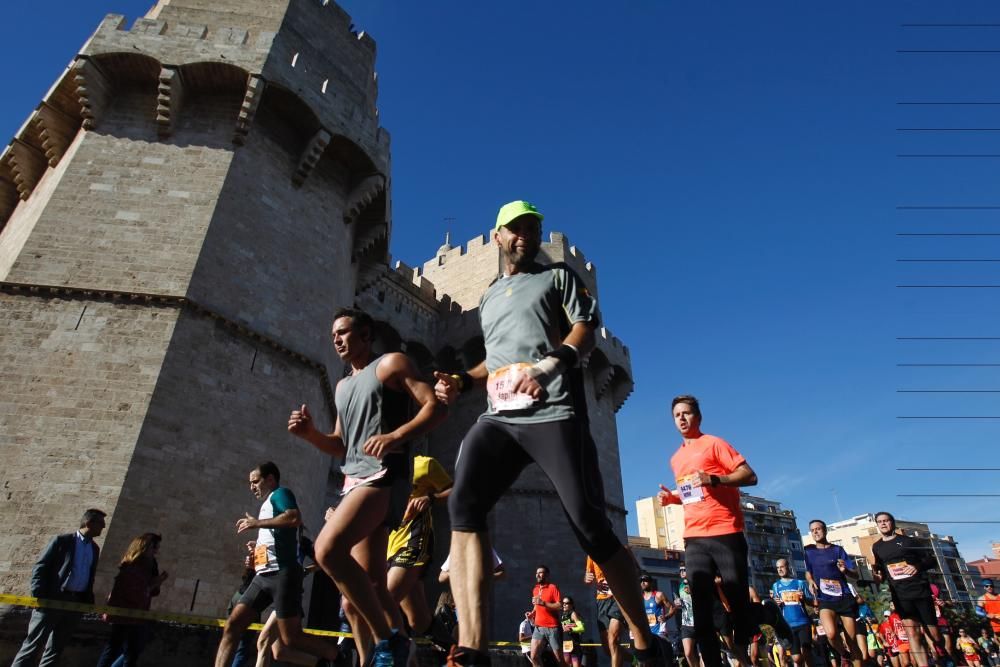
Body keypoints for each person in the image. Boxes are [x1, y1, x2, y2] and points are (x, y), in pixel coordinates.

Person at [434, 200, 667, 667]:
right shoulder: (490, 297)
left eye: (532, 229)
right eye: (515, 230)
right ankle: (472, 647)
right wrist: (463, 379)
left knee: (591, 528)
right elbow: (497, 357)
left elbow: (583, 327)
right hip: (499, 416)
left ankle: (645, 641)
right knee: (463, 504)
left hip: (553, 412)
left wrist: (549, 366)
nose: (525, 237)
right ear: (498, 237)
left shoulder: (557, 278)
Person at [288, 307, 446, 666]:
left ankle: (389, 639)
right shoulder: (343, 386)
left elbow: (435, 408)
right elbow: (342, 444)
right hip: (354, 480)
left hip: (384, 477)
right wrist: (310, 434)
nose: (337, 340)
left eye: (344, 333)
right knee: (360, 597)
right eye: (333, 336)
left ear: (366, 335)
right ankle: (382, 657)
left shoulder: (392, 364)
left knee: (326, 550)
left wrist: (395, 436)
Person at [657, 395, 759, 667]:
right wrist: (673, 498)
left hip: (726, 530)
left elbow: (749, 476)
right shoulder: (676, 458)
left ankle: (744, 639)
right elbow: (694, 493)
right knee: (699, 607)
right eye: (677, 414)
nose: (681, 418)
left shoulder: (714, 443)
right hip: (694, 537)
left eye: (687, 413)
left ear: (697, 418)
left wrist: (714, 478)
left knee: (737, 599)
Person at [213, 462, 338, 667]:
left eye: (255, 482)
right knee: (233, 626)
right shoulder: (268, 503)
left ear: (270, 479)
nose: (252, 487)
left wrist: (257, 524)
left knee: (291, 638)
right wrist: (259, 546)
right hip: (262, 577)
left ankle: (336, 656)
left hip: (283, 574)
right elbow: (279, 531)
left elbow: (294, 517)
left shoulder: (281, 493)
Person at [11, 508, 107, 667]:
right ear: (89, 523)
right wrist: (40, 594)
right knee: (33, 644)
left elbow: (89, 575)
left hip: (75, 602)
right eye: (101, 524)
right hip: (53, 600)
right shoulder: (62, 541)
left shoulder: (95, 549)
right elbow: (40, 567)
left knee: (56, 647)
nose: (103, 528)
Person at [386, 454, 454, 650]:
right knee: (419, 620)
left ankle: (399, 656)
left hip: (415, 540)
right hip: (390, 544)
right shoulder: (374, 470)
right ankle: (462, 658)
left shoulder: (424, 464)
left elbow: (456, 489)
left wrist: (431, 498)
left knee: (385, 599)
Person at [871, 512, 942, 667]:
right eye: (880, 521)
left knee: (935, 636)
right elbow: (880, 569)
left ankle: (940, 655)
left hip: (920, 591)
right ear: (877, 524)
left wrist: (917, 566)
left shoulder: (908, 541)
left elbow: (931, 560)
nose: (883, 524)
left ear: (893, 523)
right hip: (900, 594)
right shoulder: (877, 547)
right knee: (912, 634)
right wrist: (878, 576)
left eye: (886, 521)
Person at [95, 533, 167, 667]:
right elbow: (136, 593)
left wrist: (156, 582)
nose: (156, 551)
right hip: (126, 614)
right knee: (119, 649)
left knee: (129, 651)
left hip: (138, 613)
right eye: (154, 547)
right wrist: (154, 584)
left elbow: (152, 591)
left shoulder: (148, 566)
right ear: (145, 547)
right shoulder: (132, 567)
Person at [804, 519, 860, 667]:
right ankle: (844, 654)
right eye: (813, 530)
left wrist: (846, 570)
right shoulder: (809, 551)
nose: (815, 532)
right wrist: (810, 581)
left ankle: (855, 660)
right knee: (831, 634)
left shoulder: (837, 550)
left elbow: (856, 574)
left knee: (852, 640)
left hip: (844, 597)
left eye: (818, 529)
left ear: (825, 530)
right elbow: (808, 572)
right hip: (825, 599)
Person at [585, 555, 630, 667]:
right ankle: (634, 660)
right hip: (601, 600)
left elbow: (632, 570)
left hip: (618, 597)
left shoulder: (617, 549)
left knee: (613, 639)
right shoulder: (591, 555)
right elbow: (588, 576)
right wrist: (588, 579)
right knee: (607, 648)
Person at [772, 559, 815, 667]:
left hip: (803, 622)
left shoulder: (800, 583)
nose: (780, 570)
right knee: (796, 658)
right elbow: (776, 608)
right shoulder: (776, 586)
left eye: (782, 567)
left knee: (806, 653)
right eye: (777, 568)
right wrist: (776, 603)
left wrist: (804, 598)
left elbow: (812, 603)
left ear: (788, 567)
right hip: (788, 626)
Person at [530, 566, 563, 667]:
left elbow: (559, 606)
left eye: (541, 573)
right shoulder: (535, 589)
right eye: (537, 573)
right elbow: (536, 606)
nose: (538, 575)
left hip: (552, 628)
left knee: (559, 659)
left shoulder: (553, 587)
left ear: (547, 575)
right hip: (538, 628)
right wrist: (532, 613)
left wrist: (543, 603)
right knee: (534, 657)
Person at [675, 565, 698, 667]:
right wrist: (677, 603)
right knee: (688, 653)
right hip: (686, 623)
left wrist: (692, 591)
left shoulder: (695, 582)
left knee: (703, 655)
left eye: (684, 570)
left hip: (699, 622)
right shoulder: (680, 586)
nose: (682, 572)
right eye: (680, 570)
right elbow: (681, 604)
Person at [641, 574, 674, 640]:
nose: (642, 583)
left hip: (660, 631)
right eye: (641, 581)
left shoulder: (659, 595)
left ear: (651, 583)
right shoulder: (640, 598)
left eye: (645, 581)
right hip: (646, 631)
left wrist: (666, 617)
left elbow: (673, 608)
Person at [561, 596, 585, 667]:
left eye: (566, 603)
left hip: (574, 642)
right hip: (566, 642)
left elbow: (581, 628)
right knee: (566, 663)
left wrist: (571, 629)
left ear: (571, 605)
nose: (564, 605)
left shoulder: (573, 613)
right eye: (563, 603)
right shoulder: (563, 615)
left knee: (575, 664)